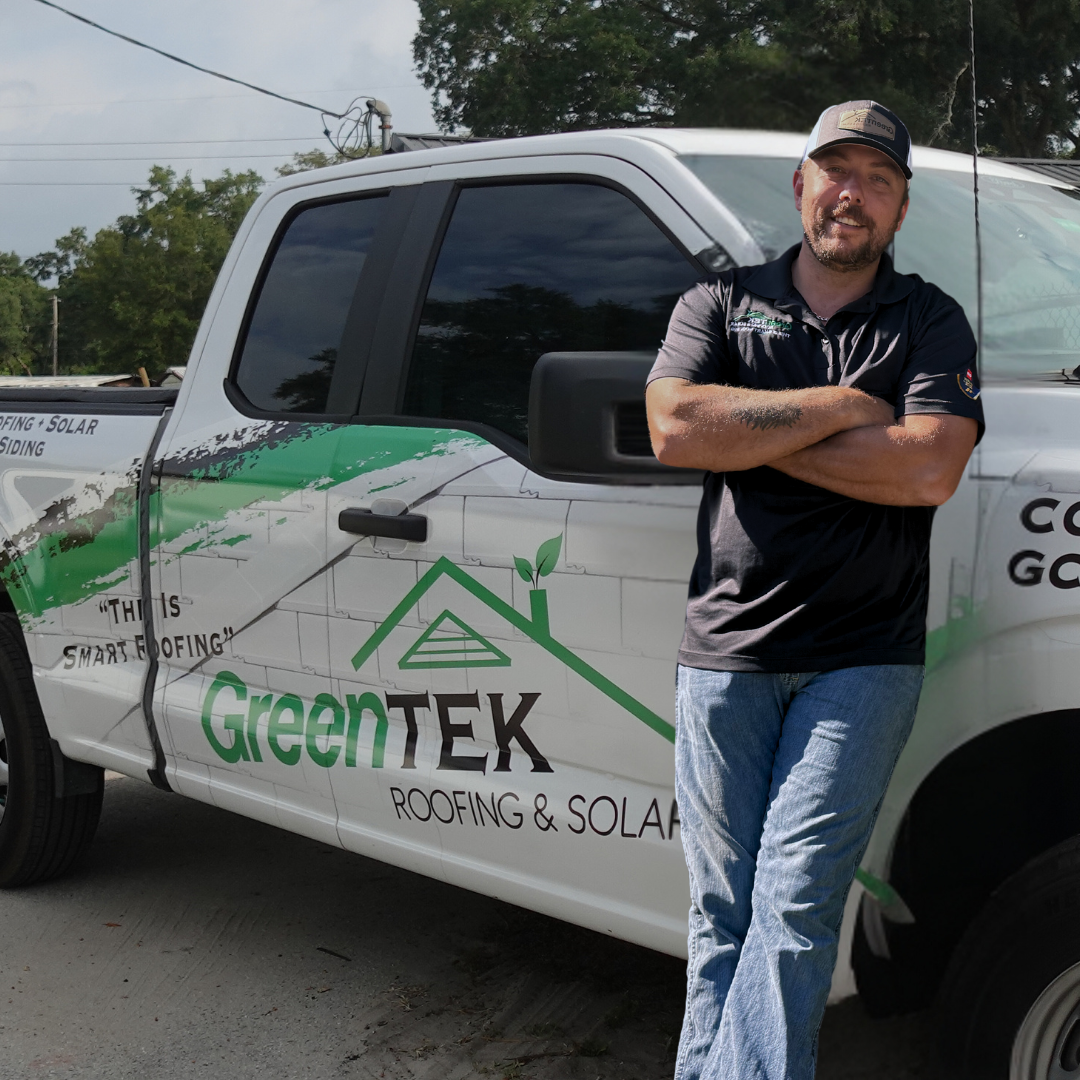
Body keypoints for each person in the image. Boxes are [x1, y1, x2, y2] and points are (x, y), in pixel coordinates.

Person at [645, 100, 984, 1080]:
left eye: (877, 179)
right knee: (721, 916)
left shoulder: (927, 319)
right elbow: (673, 430)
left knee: (792, 907)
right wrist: (842, 409)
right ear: (801, 186)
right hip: (725, 655)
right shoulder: (717, 303)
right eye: (836, 171)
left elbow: (926, 471)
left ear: (902, 208)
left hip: (861, 661)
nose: (853, 193)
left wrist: (751, 435)